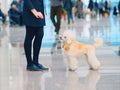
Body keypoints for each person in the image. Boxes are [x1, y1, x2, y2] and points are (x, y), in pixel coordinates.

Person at [23, 0, 48, 71]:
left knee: (40, 35)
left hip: (40, 11)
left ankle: (35, 62)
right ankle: (29, 64)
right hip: (31, 12)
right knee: (29, 36)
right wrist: (34, 11)